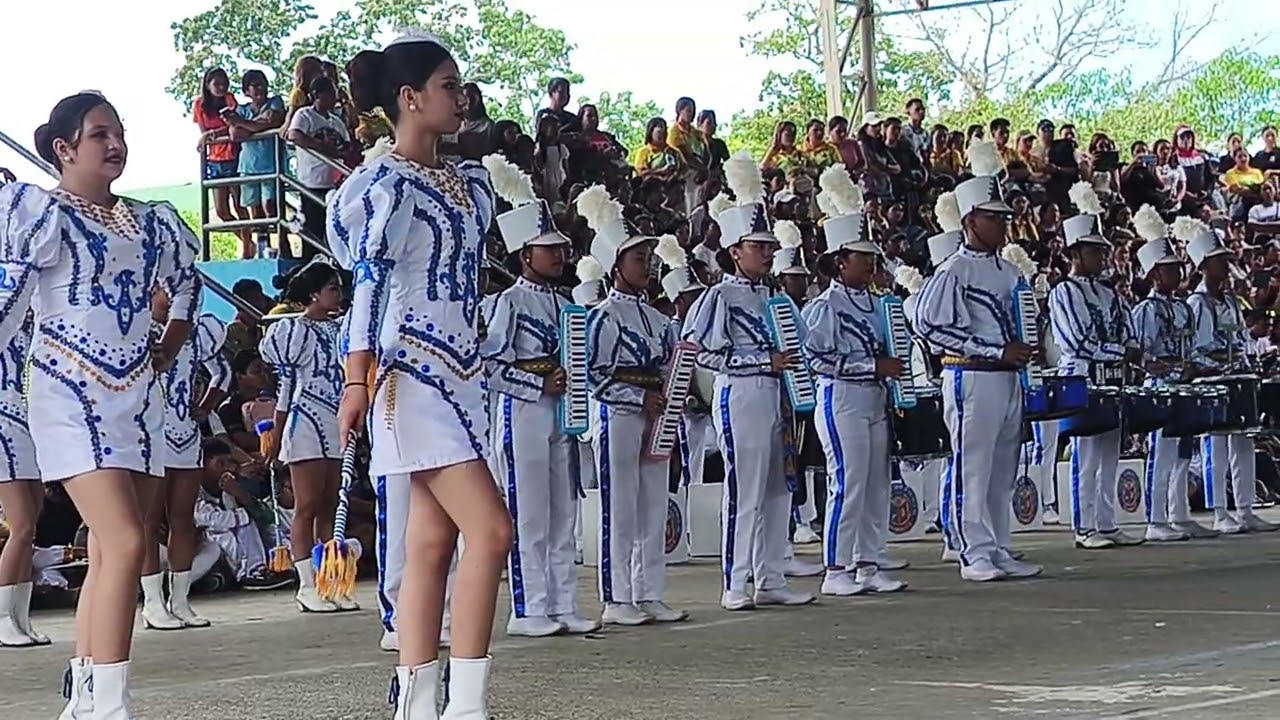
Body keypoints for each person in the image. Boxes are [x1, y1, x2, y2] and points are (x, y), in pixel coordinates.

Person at [330, 31, 512, 720]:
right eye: (447, 86)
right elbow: (369, 284)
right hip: (408, 374)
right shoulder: (383, 186)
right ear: (409, 99)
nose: (460, 98)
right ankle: (463, 706)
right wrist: (355, 379)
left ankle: (416, 701)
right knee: (491, 532)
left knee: (432, 541)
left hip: (462, 375)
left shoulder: (469, 184)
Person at [0, 92, 200, 719]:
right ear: (63, 149)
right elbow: (8, 305)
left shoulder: (150, 222)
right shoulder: (42, 214)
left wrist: (168, 345)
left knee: (120, 545)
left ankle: (86, 695)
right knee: (123, 540)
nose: (114, 144)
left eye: (119, 132)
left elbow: (189, 282)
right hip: (67, 392)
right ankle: (110, 704)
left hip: (138, 397)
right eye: (98, 135)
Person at [683, 150, 817, 610]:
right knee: (745, 487)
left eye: (769, 247)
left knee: (778, 486)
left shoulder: (778, 299)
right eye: (758, 247)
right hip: (740, 394)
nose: (766, 253)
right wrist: (764, 360)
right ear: (735, 250)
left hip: (777, 397)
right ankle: (735, 582)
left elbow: (803, 347)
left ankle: (771, 575)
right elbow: (705, 351)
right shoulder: (718, 296)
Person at [912, 139, 1042, 582]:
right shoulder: (953, 270)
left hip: (1006, 378)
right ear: (970, 221)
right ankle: (973, 552)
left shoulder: (1009, 271)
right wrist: (992, 350)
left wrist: (1023, 348)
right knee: (974, 463)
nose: (1003, 224)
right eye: (993, 217)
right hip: (970, 377)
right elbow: (929, 325)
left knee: (1002, 465)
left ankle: (999, 544)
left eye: (1005, 217)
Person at [481, 155, 598, 636]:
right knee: (527, 511)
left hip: (559, 413)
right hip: (522, 411)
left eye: (561, 249)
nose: (559, 256)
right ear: (524, 255)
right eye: (548, 249)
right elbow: (489, 365)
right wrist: (537, 384)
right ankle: (528, 608)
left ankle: (562, 602)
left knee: (561, 510)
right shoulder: (506, 303)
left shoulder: (567, 303)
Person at [578, 185, 689, 625]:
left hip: (655, 415)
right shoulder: (603, 316)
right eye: (638, 259)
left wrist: (667, 395)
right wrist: (640, 396)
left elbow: (669, 365)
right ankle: (617, 596)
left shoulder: (659, 320)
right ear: (616, 266)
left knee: (652, 503)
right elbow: (595, 376)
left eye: (648, 259)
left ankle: (649, 591)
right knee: (619, 504)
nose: (647, 266)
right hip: (620, 416)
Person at [803, 170, 907, 597]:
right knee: (847, 480)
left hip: (874, 399)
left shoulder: (879, 303)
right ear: (840, 261)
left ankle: (868, 561)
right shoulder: (823, 306)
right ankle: (836, 568)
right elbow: (817, 359)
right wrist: (871, 366)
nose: (871, 263)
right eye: (862, 257)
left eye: (872, 256)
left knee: (877, 481)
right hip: (842, 397)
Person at [1050, 183, 1145, 550]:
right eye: (1095, 251)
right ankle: (1084, 526)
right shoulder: (1063, 292)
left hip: (1112, 380)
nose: (1103, 258)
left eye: (1103, 252)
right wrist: (1121, 352)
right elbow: (1076, 342)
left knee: (1109, 452)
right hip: (1081, 380)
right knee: (1086, 454)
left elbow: (1128, 330)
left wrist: (1131, 350)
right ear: (1076, 253)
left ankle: (1106, 522)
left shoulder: (1110, 294)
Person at [1180, 218, 1280, 535]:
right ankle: (1220, 510)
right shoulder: (1195, 304)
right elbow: (1195, 350)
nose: (1227, 266)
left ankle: (1246, 508)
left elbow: (1241, 340)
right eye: (1221, 261)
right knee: (1215, 445)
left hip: (1236, 378)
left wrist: (1244, 358)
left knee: (1244, 443)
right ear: (1205, 266)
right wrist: (1221, 360)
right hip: (1210, 382)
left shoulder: (1231, 302)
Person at [259, 261, 347, 613]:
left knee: (329, 506)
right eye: (332, 289)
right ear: (314, 294)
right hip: (306, 419)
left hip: (335, 420)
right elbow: (286, 389)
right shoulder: (292, 332)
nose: (339, 295)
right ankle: (307, 585)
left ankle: (332, 582)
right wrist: (277, 436)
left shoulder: (342, 329)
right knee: (307, 506)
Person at [139, 299, 232, 631]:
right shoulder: (138, 327)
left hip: (187, 436)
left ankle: (179, 600)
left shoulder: (196, 332)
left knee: (183, 520)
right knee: (148, 522)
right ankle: (152, 603)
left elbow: (223, 372)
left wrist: (206, 407)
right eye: (165, 289)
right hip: (148, 436)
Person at [1129, 209, 1217, 542]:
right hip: (1160, 388)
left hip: (1184, 385)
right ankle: (1155, 519)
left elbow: (1192, 345)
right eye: (1170, 269)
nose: (1178, 273)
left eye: (1179, 268)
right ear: (1154, 275)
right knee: (1161, 454)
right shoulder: (1145, 311)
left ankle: (1179, 513)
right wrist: (1159, 366)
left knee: (1183, 452)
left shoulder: (1182, 307)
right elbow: (1143, 353)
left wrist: (1198, 364)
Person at [900, 192, 962, 562]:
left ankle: (957, 529)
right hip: (932, 384)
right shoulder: (921, 301)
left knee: (957, 462)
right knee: (942, 462)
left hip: (949, 380)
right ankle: (949, 531)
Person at [0, 315, 48, 647]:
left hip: (27, 423)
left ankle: (20, 617)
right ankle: (2, 618)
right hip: (2, 424)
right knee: (20, 524)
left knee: (31, 526)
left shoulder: (28, 327)